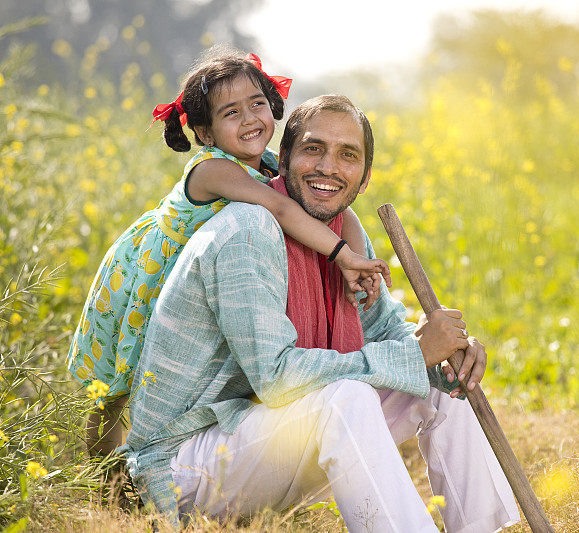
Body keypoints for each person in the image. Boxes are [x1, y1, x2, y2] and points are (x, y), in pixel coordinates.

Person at [119, 95, 520, 532]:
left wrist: (446, 350)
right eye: (314, 149)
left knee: (441, 382)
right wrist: (413, 355)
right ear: (284, 157)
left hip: (265, 441)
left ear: (364, 179)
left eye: (347, 155)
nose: (329, 167)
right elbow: (275, 376)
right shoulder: (245, 230)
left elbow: (385, 329)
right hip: (185, 466)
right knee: (348, 397)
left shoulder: (342, 233)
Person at [67, 51, 391, 456]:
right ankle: (101, 478)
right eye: (231, 112)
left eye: (257, 103)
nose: (250, 118)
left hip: (195, 271)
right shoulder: (213, 170)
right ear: (205, 132)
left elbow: (340, 216)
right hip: (148, 273)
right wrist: (343, 256)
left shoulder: (269, 165)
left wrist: (355, 256)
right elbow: (282, 207)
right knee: (118, 383)